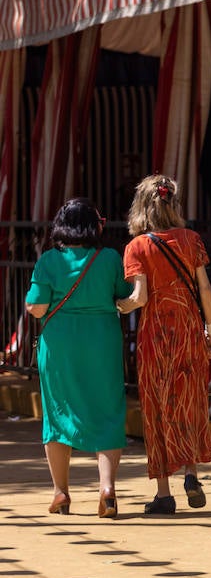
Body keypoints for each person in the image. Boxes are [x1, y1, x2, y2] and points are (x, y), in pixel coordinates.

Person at [25, 199, 133, 519]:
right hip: (103, 340)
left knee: (58, 416)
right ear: (94, 226)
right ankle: (107, 490)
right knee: (108, 411)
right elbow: (123, 295)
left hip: (59, 345)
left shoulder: (48, 260)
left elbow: (38, 307)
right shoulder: (110, 257)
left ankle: (61, 493)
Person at [117, 175, 211, 515]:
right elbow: (204, 288)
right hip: (190, 329)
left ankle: (164, 493)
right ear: (172, 204)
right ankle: (191, 473)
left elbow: (140, 297)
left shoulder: (137, 247)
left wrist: (119, 305)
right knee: (190, 400)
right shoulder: (191, 239)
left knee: (158, 407)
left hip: (156, 336)